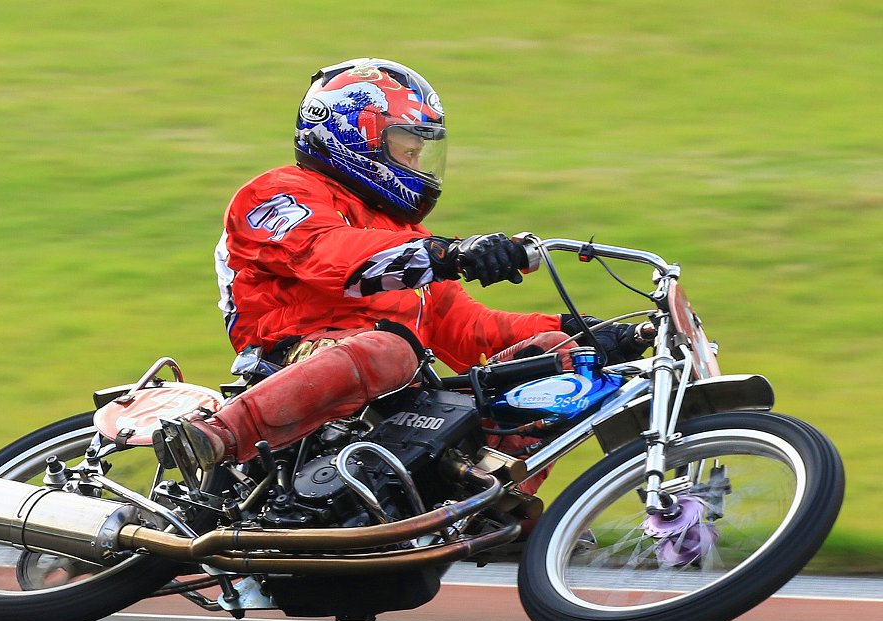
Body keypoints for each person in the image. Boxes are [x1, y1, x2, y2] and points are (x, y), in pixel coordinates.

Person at [159, 58, 650, 482]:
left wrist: (579, 332)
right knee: (392, 347)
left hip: (400, 374)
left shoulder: (406, 237)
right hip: (290, 356)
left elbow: (465, 329)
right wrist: (450, 254)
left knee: (562, 365)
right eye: (406, 147)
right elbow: (330, 256)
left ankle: (494, 502)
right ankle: (216, 436)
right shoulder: (280, 191)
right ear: (355, 136)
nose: (417, 161)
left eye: (422, 150)